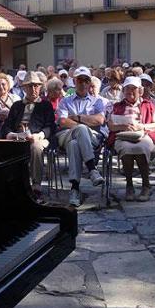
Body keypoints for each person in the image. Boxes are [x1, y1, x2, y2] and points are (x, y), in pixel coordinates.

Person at [1, 71, 55, 202]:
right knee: (3, 147)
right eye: (30, 86)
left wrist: (39, 136)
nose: (33, 89)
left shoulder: (45, 105)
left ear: (40, 87)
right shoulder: (17, 105)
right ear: (24, 88)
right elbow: (7, 126)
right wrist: (12, 135)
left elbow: (51, 126)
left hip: (39, 138)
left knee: (35, 147)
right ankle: (11, 185)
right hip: (19, 137)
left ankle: (36, 186)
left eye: (36, 86)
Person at [107, 76, 155, 202]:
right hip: (122, 135)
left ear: (140, 91)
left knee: (141, 147)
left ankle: (146, 185)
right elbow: (110, 125)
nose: (130, 92)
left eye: (134, 89)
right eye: (127, 89)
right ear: (123, 91)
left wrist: (140, 126)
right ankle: (129, 185)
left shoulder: (149, 105)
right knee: (126, 149)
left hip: (144, 135)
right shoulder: (116, 106)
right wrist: (123, 126)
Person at [56, 66, 105, 207]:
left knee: (74, 144)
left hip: (92, 137)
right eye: (80, 80)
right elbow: (63, 121)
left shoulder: (97, 101)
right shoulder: (66, 101)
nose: (83, 83)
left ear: (90, 82)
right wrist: (85, 122)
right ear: (74, 82)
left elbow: (100, 120)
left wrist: (77, 117)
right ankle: (92, 169)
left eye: (86, 80)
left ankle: (75, 189)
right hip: (66, 134)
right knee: (81, 130)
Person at [0, 73, 21, 138]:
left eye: (3, 84)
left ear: (8, 85)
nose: (1, 87)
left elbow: (20, 114)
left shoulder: (15, 98)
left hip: (12, 127)